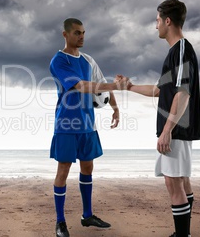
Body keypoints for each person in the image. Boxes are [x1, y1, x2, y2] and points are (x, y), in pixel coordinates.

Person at [118, 0, 200, 237]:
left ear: (167, 20)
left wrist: (167, 131)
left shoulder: (182, 49)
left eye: (157, 21)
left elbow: (183, 94)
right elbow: (159, 90)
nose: (156, 27)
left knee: (173, 182)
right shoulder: (174, 53)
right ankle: (183, 233)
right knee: (182, 181)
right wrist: (129, 87)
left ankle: (182, 235)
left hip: (176, 129)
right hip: (178, 129)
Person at [50, 18, 129, 237]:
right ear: (65, 34)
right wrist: (117, 85)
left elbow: (100, 83)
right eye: (77, 33)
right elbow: (82, 87)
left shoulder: (88, 60)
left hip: (88, 125)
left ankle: (87, 216)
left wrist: (115, 107)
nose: (82, 36)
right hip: (66, 124)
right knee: (63, 171)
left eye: (83, 32)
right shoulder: (59, 61)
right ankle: (60, 222)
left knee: (88, 169)